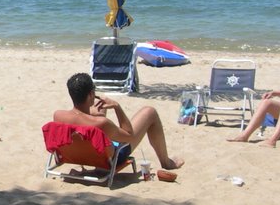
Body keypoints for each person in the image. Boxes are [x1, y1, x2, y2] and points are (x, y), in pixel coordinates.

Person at [53, 72, 184, 170]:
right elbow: (128, 136)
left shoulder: (58, 116)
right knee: (150, 112)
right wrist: (117, 107)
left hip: (80, 156)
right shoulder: (102, 124)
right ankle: (167, 163)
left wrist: (94, 112)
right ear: (91, 94)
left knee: (98, 113)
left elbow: (81, 117)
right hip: (110, 159)